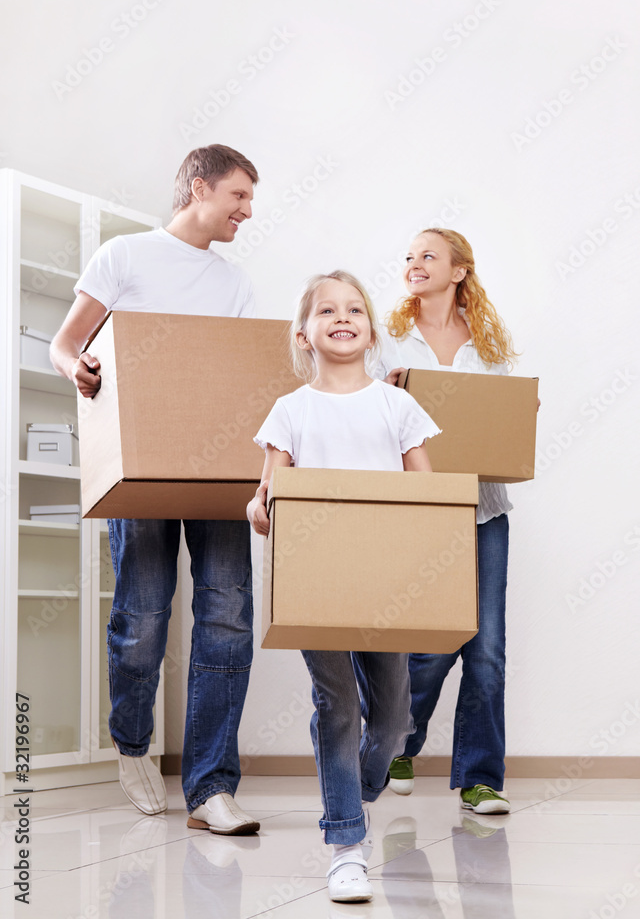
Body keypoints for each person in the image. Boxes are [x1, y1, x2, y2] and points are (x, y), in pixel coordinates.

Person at [50, 144, 261, 835]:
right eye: (238, 196)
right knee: (142, 618)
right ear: (198, 188)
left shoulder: (233, 284)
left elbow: (231, 377)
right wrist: (76, 367)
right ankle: (134, 745)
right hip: (140, 462)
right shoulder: (124, 257)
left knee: (227, 616)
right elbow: (64, 342)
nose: (246, 212)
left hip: (218, 468)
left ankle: (210, 787)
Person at [247, 271, 440, 903]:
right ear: (304, 333)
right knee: (336, 708)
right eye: (326, 310)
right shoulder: (291, 409)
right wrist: (259, 506)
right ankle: (345, 844)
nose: (343, 317)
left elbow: (428, 494)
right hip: (315, 578)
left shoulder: (398, 406)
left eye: (355, 309)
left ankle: (350, 792)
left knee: (393, 720)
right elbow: (269, 487)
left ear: (371, 329)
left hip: (385, 581)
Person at [377, 227, 525, 815]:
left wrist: (520, 415)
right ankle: (398, 743)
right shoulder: (388, 343)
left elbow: (508, 422)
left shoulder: (489, 346)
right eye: (408, 255)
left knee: (487, 650)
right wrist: (377, 396)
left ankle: (480, 778)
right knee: (433, 646)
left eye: (428, 256)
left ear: (459, 270)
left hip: (484, 510)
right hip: (420, 510)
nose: (414, 263)